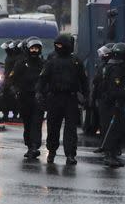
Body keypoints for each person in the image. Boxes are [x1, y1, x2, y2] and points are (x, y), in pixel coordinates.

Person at [36, 33, 88, 165]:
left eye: (61, 45)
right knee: (53, 127)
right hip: (54, 98)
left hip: (70, 98)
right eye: (57, 45)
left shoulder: (76, 61)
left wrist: (87, 96)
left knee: (71, 129)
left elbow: (83, 80)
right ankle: (51, 151)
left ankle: (70, 154)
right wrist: (39, 92)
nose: (58, 47)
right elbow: (43, 78)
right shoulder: (52, 61)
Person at [6, 37, 45, 159]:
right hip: (24, 98)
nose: (34, 51)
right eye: (32, 48)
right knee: (28, 123)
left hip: (38, 98)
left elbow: (48, 79)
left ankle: (35, 146)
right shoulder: (21, 63)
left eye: (37, 49)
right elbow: (11, 79)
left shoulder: (43, 64)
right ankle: (29, 145)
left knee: (37, 123)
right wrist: (15, 91)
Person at [99, 42, 125, 168]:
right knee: (111, 129)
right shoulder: (114, 69)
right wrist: (124, 96)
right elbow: (114, 89)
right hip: (112, 104)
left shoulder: (121, 68)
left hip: (118, 104)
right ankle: (109, 155)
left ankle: (113, 154)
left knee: (119, 129)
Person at [90, 43, 113, 147]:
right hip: (101, 98)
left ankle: (111, 147)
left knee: (110, 124)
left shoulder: (113, 67)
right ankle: (103, 145)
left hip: (110, 99)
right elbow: (96, 82)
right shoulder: (102, 66)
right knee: (103, 123)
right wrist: (93, 98)